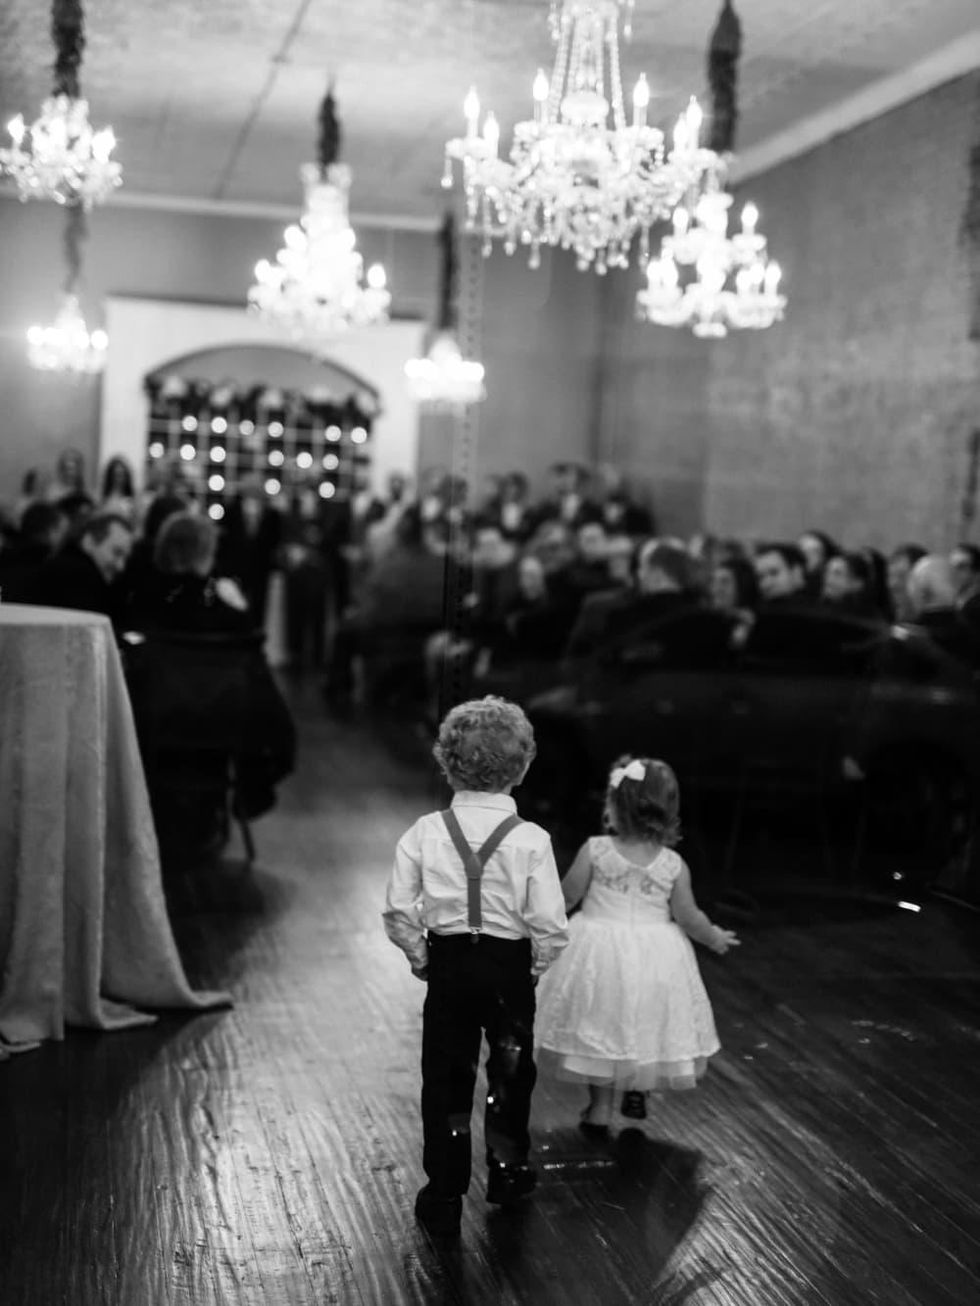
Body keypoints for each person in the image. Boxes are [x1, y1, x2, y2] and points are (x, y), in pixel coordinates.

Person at [382, 696, 569, 1239]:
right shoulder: (532, 840)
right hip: (509, 969)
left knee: (445, 1075)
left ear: (446, 762)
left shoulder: (424, 831)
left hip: (449, 965)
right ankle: (507, 1172)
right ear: (523, 766)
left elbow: (398, 910)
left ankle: (444, 1189)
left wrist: (421, 956)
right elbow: (550, 924)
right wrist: (534, 966)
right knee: (511, 1073)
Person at [535, 756, 738, 1134]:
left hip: (598, 955)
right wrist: (713, 936)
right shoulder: (673, 864)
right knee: (645, 1023)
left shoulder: (595, 850)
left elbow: (567, 895)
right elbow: (688, 915)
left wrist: (536, 920)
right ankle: (637, 1090)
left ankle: (600, 1110)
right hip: (656, 957)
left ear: (614, 804)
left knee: (599, 1027)